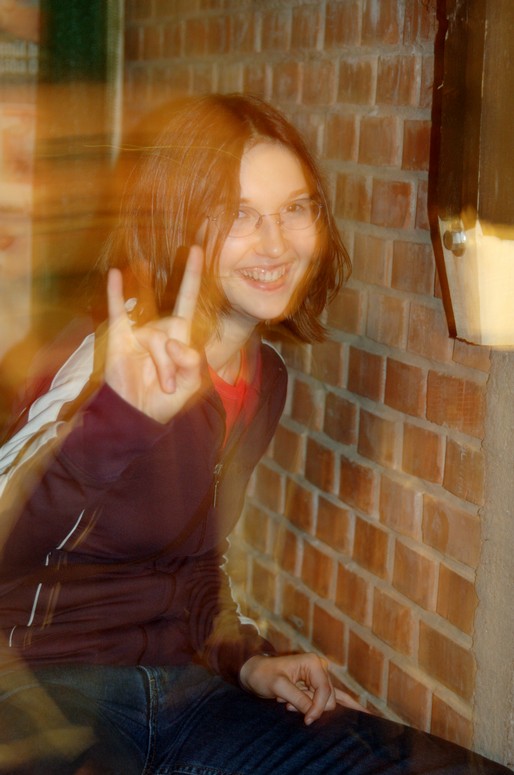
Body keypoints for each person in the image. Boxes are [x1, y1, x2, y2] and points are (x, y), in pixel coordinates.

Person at [0, 93, 510, 774]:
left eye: (295, 208)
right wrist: (115, 423)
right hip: (45, 687)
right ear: (183, 224)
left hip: (187, 698)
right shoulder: (115, 358)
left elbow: (197, 566)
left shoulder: (264, 379)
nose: (276, 244)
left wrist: (247, 660)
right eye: (239, 214)